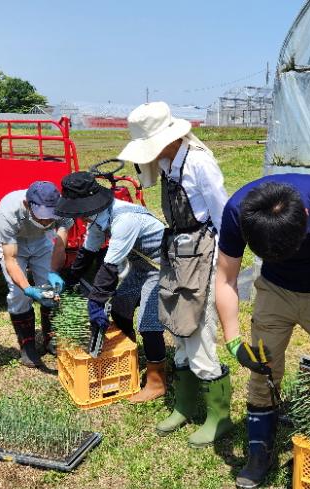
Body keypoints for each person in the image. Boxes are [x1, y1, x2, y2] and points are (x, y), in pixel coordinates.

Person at [215, 174, 310, 489]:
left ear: (306, 218)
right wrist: (233, 341)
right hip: (275, 289)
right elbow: (226, 279)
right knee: (262, 366)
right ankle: (260, 449)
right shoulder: (238, 211)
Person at [117, 101, 230, 447]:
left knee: (197, 328)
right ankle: (184, 405)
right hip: (177, 252)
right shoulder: (167, 164)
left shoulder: (198, 163)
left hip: (202, 254)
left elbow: (224, 214)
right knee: (177, 326)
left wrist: (225, 267)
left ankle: (219, 416)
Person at [57, 172, 167, 401]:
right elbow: (88, 252)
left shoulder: (124, 220)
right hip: (141, 266)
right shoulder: (99, 218)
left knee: (148, 321)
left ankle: (157, 382)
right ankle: (130, 355)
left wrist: (95, 303)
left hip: (162, 267)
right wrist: (70, 280)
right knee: (120, 305)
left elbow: (110, 268)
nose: (80, 218)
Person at [0, 181, 72, 370]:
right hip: (12, 242)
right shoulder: (8, 212)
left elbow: (60, 245)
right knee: (18, 293)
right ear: (28, 205)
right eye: (42, 217)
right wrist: (28, 289)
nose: (46, 222)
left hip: (40, 240)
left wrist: (53, 272)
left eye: (49, 218)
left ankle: (50, 337)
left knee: (50, 289)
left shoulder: (63, 209)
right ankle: (27, 345)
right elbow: (10, 259)